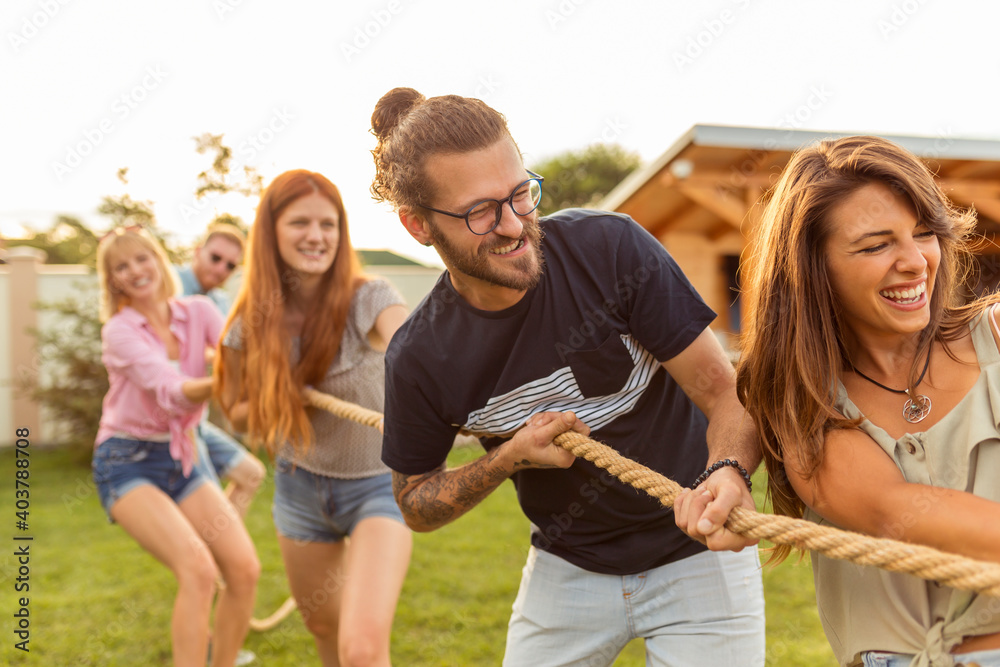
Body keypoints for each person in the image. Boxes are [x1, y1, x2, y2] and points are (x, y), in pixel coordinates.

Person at [370, 87, 765, 666]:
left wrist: (729, 472)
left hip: (698, 551)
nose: (513, 226)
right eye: (481, 211)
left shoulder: (610, 250)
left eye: (520, 195)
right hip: (567, 565)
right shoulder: (419, 356)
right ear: (418, 225)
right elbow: (416, 503)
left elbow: (723, 392)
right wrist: (508, 458)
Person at [737, 135, 1000, 667]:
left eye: (924, 234)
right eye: (876, 245)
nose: (915, 262)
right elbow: (890, 511)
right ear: (814, 268)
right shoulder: (806, 403)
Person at [215, 170, 413, 666]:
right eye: (300, 222)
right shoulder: (249, 325)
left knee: (363, 649)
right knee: (324, 627)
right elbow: (235, 413)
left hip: (379, 487)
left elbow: (415, 351)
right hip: (300, 488)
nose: (317, 236)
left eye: (329, 224)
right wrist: (278, 398)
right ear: (271, 231)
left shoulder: (369, 297)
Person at [91, 226, 260, 667]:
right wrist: (227, 380)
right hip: (126, 460)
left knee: (243, 570)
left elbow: (233, 352)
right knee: (199, 571)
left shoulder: (199, 310)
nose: (135, 271)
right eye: (121, 267)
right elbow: (172, 391)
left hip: (179, 453)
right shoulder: (120, 332)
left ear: (158, 260)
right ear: (113, 281)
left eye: (141, 259)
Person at [176, 223, 266, 519]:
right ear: (197, 252)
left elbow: (225, 354)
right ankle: (216, 552)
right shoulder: (169, 285)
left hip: (197, 419)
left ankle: (215, 549)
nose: (220, 269)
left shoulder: (220, 302)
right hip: (170, 425)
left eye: (230, 265)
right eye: (215, 258)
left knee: (251, 474)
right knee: (209, 504)